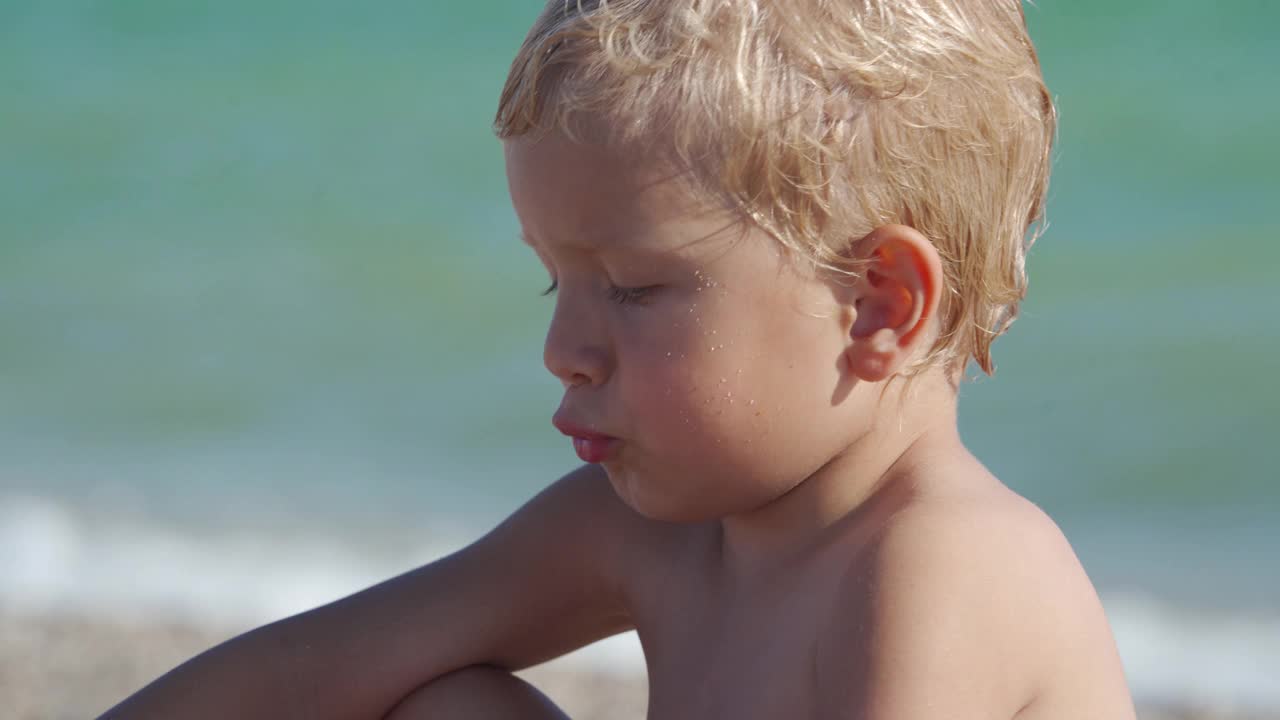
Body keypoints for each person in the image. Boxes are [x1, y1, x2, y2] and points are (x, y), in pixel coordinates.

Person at [100, 1, 1137, 718]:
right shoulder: (652, 535)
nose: (562, 352)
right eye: (557, 281)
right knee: (443, 704)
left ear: (877, 304)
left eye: (634, 289)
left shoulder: (943, 567)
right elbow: (308, 672)